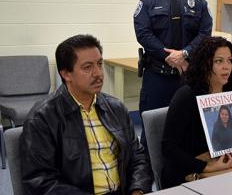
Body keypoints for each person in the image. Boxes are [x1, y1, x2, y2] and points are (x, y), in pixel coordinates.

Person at [21, 34, 153, 195]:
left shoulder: (116, 108)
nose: (98, 73)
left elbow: (137, 157)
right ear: (66, 74)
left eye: (99, 64)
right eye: (87, 67)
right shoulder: (43, 117)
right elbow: (39, 181)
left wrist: (137, 190)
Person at [133, 0, 212, 149]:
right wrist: (171, 56)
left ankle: (188, 170)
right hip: (157, 77)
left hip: (188, 77)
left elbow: (205, 33)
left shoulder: (199, 3)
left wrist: (185, 53)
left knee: (190, 125)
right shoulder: (149, 1)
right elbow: (143, 33)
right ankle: (149, 171)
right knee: (151, 127)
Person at [161, 36, 232, 188]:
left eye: (229, 60)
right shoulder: (187, 95)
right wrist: (206, 167)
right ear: (204, 64)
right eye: (218, 61)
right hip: (191, 169)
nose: (226, 67)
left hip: (227, 166)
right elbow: (168, 148)